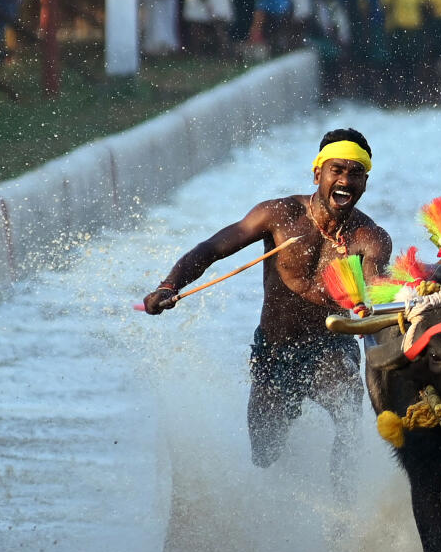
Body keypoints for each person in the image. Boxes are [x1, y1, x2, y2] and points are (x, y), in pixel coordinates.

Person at [142, 129, 392, 480]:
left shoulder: (370, 237)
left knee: (347, 414)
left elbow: (377, 283)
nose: (345, 181)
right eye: (337, 170)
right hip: (274, 350)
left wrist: (417, 281)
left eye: (355, 173)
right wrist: (170, 285)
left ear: (365, 182)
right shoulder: (278, 215)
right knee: (264, 452)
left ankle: (344, 521)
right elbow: (212, 248)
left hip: (330, 345)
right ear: (317, 173)